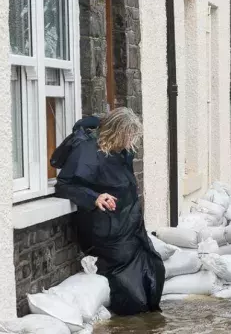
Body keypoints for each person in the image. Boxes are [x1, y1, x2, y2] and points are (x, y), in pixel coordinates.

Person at [53, 108, 165, 316]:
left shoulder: (122, 151)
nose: (131, 140)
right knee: (128, 285)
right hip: (105, 230)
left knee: (154, 266)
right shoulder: (87, 151)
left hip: (129, 225)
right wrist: (95, 198)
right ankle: (128, 318)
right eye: (128, 135)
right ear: (116, 132)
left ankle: (145, 314)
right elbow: (64, 185)